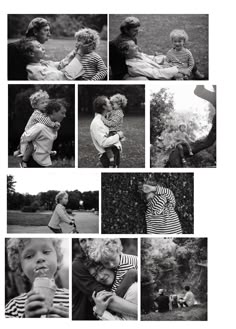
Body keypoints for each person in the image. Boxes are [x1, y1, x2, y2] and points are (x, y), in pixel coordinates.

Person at [72, 238, 138, 320]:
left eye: (91, 239)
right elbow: (106, 299)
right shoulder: (78, 266)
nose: (87, 244)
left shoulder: (124, 265)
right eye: (82, 241)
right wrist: (99, 311)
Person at [5, 238, 69, 318]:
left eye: (46, 252)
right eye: (29, 256)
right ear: (20, 266)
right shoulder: (14, 307)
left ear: (57, 257)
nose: (40, 258)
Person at [14, 90, 60, 168]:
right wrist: (54, 124)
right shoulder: (37, 114)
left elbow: (49, 120)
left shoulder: (44, 113)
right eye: (42, 103)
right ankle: (24, 161)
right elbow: (46, 122)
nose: (45, 104)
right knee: (32, 147)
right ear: (35, 105)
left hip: (36, 135)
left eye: (46, 102)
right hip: (28, 135)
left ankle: (46, 152)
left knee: (45, 141)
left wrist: (55, 122)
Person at [20, 99, 67, 167]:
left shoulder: (51, 125)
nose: (64, 116)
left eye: (46, 102)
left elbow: (45, 142)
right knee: (31, 146)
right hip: (32, 162)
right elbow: (25, 137)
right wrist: (23, 149)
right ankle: (24, 161)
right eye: (62, 113)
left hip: (42, 161)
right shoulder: (40, 124)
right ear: (53, 112)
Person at [119, 40, 190, 80]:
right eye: (133, 46)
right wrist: (176, 69)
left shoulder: (137, 55)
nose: (137, 47)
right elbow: (156, 74)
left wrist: (165, 58)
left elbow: (153, 59)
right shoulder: (133, 67)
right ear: (126, 52)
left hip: (163, 69)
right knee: (179, 74)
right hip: (161, 78)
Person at [90, 96, 124, 167]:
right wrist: (118, 135)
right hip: (107, 157)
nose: (111, 103)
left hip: (114, 153)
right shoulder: (97, 123)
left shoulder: (105, 118)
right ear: (104, 107)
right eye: (109, 102)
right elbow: (104, 142)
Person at [101, 94, 127, 167]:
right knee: (106, 146)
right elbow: (109, 115)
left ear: (119, 104)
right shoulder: (114, 111)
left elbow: (111, 123)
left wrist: (103, 119)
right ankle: (112, 159)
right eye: (111, 103)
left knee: (106, 145)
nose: (112, 105)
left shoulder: (119, 113)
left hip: (114, 132)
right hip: (111, 131)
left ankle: (112, 160)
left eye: (113, 104)